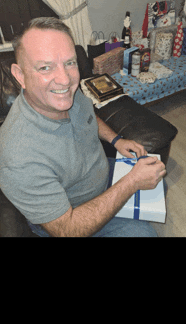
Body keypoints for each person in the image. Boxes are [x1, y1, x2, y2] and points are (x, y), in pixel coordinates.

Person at [0, 17, 166, 237]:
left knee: (157, 182)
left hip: (98, 174)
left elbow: (88, 116)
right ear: (20, 75)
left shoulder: (65, 93)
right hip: (74, 215)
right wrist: (131, 182)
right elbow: (67, 229)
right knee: (145, 234)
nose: (65, 79)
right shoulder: (18, 157)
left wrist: (116, 140)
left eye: (70, 62)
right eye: (45, 67)